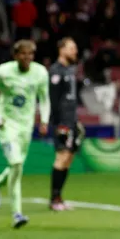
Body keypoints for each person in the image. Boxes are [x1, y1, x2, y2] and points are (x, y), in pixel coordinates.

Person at [0, 40, 50, 228]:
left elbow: (44, 99)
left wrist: (44, 120)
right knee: (16, 163)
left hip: (26, 126)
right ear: (15, 55)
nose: (27, 57)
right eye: (23, 54)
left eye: (30, 54)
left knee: (17, 165)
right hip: (7, 125)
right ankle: (17, 214)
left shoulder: (40, 73)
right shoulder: (3, 72)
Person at [48, 37, 84, 211]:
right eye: (71, 48)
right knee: (61, 157)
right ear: (61, 50)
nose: (75, 51)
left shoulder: (69, 71)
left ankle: (59, 197)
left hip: (71, 120)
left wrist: (74, 121)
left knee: (69, 158)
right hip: (62, 122)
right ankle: (54, 199)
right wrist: (59, 123)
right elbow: (53, 101)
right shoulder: (55, 71)